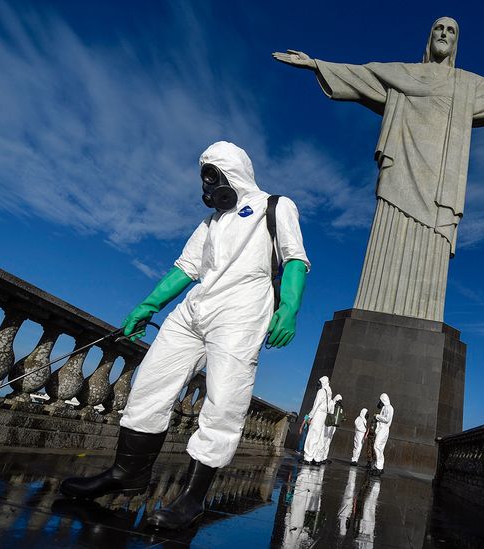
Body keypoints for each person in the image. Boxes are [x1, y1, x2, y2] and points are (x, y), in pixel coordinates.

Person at [273, 17, 484, 322]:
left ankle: (421, 313)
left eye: (451, 31)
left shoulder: (467, 85)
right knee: (388, 234)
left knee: (430, 246)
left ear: (456, 42)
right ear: (429, 36)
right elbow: (361, 74)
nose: (444, 34)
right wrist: (315, 64)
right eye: (439, 29)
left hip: (440, 183)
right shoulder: (400, 74)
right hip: (400, 172)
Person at [59, 141, 310, 531]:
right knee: (149, 385)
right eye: (204, 176)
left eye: (214, 174)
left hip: (240, 314)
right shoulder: (209, 223)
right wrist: (147, 306)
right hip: (192, 311)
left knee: (224, 401)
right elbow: (186, 269)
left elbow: (295, 258)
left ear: (235, 172)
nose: (208, 184)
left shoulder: (275, 207)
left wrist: (289, 309)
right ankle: (127, 473)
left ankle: (192, 498)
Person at [302, 376, 333, 465]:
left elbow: (315, 405)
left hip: (318, 415)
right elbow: (330, 408)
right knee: (320, 439)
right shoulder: (329, 393)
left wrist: (310, 417)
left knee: (312, 435)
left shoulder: (321, 391)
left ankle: (308, 458)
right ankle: (317, 459)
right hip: (324, 416)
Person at [371, 393, 394, 476]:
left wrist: (377, 416)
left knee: (376, 446)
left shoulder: (390, 408)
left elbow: (387, 419)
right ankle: (378, 466)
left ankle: (379, 467)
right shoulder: (384, 407)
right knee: (379, 447)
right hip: (381, 428)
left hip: (384, 429)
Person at [322, 394, 343, 464]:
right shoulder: (331, 404)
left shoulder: (339, 408)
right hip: (328, 425)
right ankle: (319, 456)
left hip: (333, 427)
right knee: (323, 441)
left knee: (328, 442)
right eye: (338, 400)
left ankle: (324, 457)